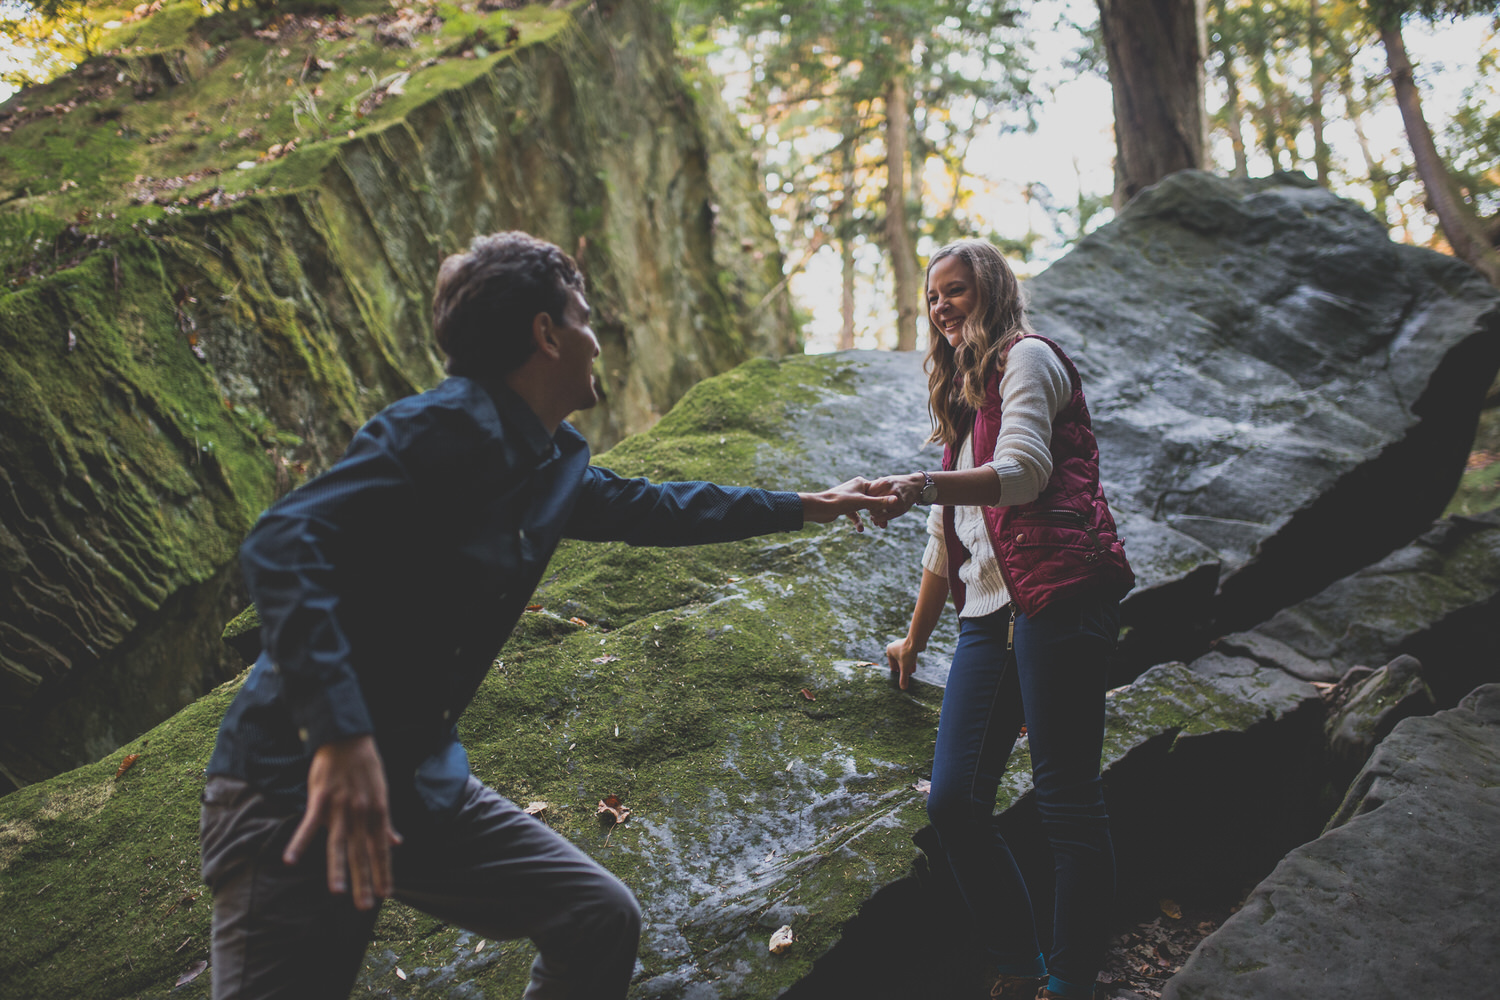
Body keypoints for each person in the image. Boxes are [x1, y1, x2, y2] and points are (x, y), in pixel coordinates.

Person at [198, 231, 894, 1000]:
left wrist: (814, 506)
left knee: (596, 916)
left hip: (418, 784)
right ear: (545, 332)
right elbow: (282, 539)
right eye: (585, 316)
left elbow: (660, 508)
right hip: (295, 785)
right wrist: (340, 735)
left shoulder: (551, 461)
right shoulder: (441, 425)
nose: (598, 340)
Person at [867, 239, 1134, 1000]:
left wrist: (921, 484)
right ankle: (1019, 965)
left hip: (1060, 602)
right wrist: (914, 641)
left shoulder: (1030, 360)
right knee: (953, 802)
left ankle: (1069, 981)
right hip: (988, 623)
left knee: (1066, 801)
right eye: (932, 296)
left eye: (956, 289)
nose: (942, 305)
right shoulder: (961, 404)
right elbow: (942, 546)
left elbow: (1023, 475)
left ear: (991, 289)